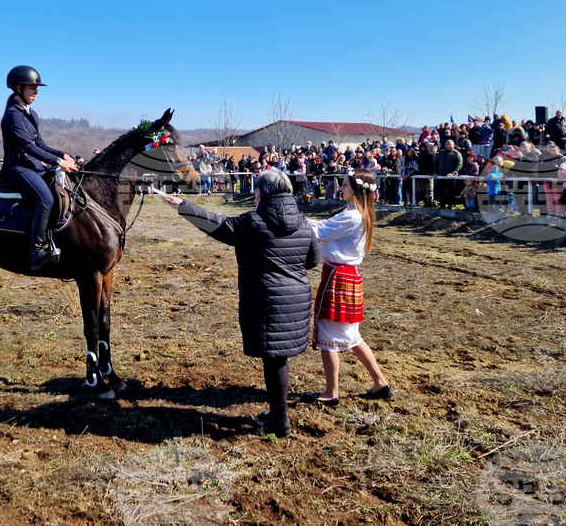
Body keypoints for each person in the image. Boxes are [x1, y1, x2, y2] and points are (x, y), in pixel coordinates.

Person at [158, 169, 320, 438]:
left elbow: (219, 225)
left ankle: (280, 423)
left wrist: (184, 206)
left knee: (274, 360)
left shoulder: (253, 222)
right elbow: (313, 259)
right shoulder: (303, 222)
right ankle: (279, 416)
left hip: (267, 301)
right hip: (297, 299)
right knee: (277, 359)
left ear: (260, 193)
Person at [303, 169, 391, 406]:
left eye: (345, 185)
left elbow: (319, 231)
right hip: (345, 275)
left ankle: (331, 393)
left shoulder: (353, 216)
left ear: (357, 189)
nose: (342, 188)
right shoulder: (356, 213)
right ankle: (380, 382)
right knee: (352, 336)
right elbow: (323, 226)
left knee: (328, 336)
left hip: (339, 277)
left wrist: (291, 217)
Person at [0, 65, 79, 271]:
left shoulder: (31, 113)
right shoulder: (13, 115)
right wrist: (57, 162)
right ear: (18, 88)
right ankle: (36, 252)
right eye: (32, 88)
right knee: (46, 198)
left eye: (37, 88)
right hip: (18, 168)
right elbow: (27, 146)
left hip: (32, 166)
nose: (36, 92)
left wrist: (62, 154)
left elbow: (40, 145)